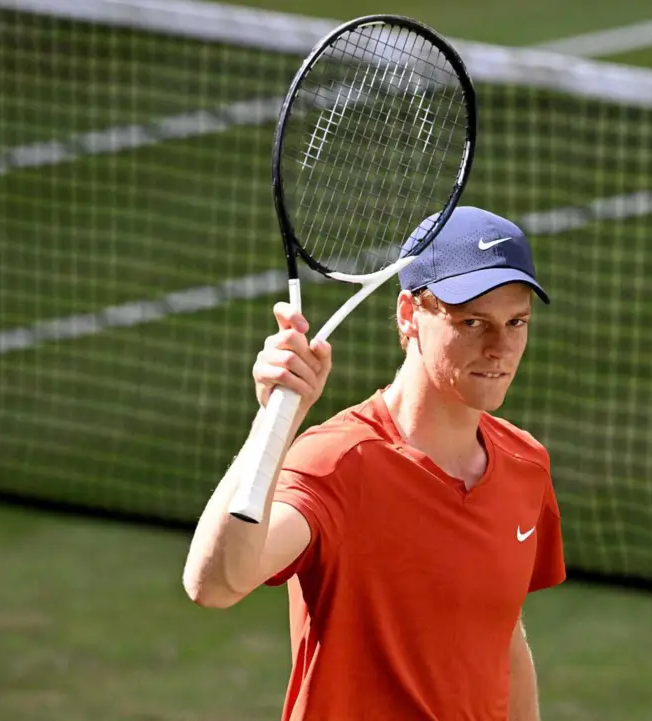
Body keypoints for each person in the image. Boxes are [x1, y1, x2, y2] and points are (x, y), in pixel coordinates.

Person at [182, 206, 566, 721]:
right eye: (472, 322)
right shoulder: (337, 463)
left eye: (516, 322)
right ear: (410, 315)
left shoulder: (525, 464)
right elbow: (215, 584)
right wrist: (272, 426)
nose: (500, 349)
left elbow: (501, 637)